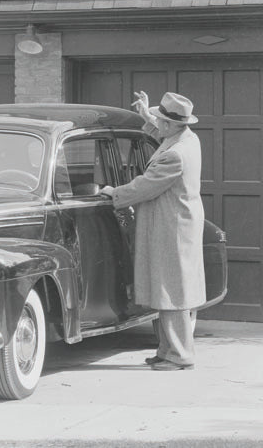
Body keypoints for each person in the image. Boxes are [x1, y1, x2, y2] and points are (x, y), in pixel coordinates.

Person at [99, 92, 206, 371]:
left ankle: (180, 356)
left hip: (172, 227)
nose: (157, 124)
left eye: (160, 120)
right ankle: (167, 350)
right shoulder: (187, 139)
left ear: (170, 125)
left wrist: (114, 193)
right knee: (167, 289)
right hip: (176, 223)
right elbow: (163, 137)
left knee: (172, 291)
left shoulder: (174, 156)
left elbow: (146, 186)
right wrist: (148, 117)